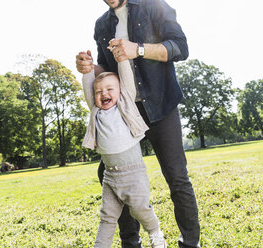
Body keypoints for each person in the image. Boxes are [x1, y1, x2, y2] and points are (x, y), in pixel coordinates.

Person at [76, 0, 200, 247]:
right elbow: (107, 72)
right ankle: (131, 242)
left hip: (161, 105)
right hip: (126, 110)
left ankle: (190, 242)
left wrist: (139, 49)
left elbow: (180, 48)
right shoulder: (102, 24)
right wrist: (89, 68)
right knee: (109, 173)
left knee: (176, 176)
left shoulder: (153, 6)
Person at [81, 56, 167, 248]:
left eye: (110, 89)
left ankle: (155, 233)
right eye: (99, 91)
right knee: (107, 218)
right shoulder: (96, 111)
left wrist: (122, 60)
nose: (104, 93)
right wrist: (87, 71)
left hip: (133, 174)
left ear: (120, 92)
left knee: (140, 209)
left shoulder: (125, 103)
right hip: (110, 177)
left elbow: (126, 78)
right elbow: (88, 87)